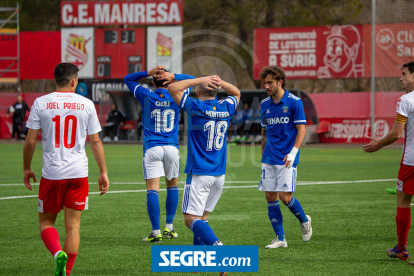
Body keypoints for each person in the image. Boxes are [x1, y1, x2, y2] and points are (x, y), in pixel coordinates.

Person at [23, 63, 110, 276]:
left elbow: (30, 141)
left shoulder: (40, 103)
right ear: (73, 81)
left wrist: (27, 168)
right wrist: (103, 172)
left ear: (55, 80)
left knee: (46, 223)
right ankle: (67, 272)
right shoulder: (87, 104)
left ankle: (56, 254)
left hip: (52, 174)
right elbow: (96, 141)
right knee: (73, 227)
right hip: (79, 174)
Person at [168, 75, 240, 276]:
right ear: (216, 92)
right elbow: (237, 92)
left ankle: (219, 251)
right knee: (202, 218)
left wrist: (199, 79)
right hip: (219, 174)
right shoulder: (226, 107)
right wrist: (220, 82)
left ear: (199, 91)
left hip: (200, 173)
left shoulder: (196, 107)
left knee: (190, 220)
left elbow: (174, 88)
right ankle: (198, 264)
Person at [124, 66, 195, 242]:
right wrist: (174, 76)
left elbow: (128, 79)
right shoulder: (176, 94)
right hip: (171, 147)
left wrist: (148, 72)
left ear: (153, 82)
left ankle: (156, 232)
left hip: (152, 147)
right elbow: (192, 78)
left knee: (152, 190)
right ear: (170, 81)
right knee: (172, 186)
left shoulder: (146, 95)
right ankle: (169, 228)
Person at [363, 61, 414, 261]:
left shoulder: (406, 100)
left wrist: (379, 144)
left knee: (402, 202)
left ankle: (401, 248)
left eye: (404, 74)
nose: (400, 78)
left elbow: (396, 133)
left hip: (411, 162)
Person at [258, 66, 312, 249]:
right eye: (264, 83)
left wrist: (293, 153)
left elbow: (301, 129)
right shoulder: (264, 104)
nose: (266, 86)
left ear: (280, 82)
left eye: (270, 83)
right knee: (270, 196)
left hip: (287, 158)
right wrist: (263, 154)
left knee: (285, 198)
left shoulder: (295, 102)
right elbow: (264, 132)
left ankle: (304, 221)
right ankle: (280, 238)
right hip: (269, 158)